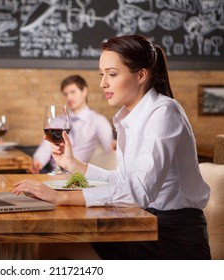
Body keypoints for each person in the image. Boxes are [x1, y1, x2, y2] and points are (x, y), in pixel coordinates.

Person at [13, 35, 211, 260]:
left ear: (141, 75)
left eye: (112, 74)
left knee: (58, 246)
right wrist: (73, 164)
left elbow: (140, 191)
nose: (102, 83)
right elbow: (123, 180)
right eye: (102, 74)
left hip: (174, 239)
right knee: (52, 245)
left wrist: (63, 198)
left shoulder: (164, 113)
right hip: (142, 222)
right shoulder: (128, 117)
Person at [29, 75, 114, 174]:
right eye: (65, 94)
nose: (69, 97)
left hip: (77, 174)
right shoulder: (58, 121)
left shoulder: (98, 121)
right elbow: (46, 146)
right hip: (51, 172)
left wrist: (115, 144)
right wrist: (37, 163)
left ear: (84, 91)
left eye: (73, 92)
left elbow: (110, 148)